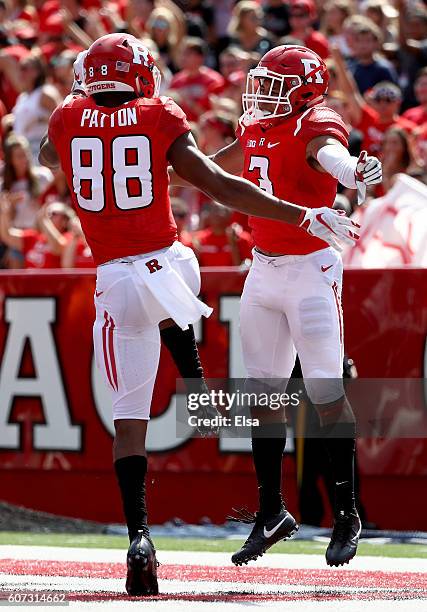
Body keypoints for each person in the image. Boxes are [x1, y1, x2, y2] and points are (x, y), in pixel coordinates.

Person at [39, 34, 359, 597]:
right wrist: (303, 215)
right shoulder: (160, 113)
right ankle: (193, 372)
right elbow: (217, 183)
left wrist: (82, 111)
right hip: (169, 268)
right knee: (183, 280)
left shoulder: (67, 118)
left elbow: (48, 153)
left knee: (130, 415)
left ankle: (139, 537)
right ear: (141, 78)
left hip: (114, 277)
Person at [171, 44, 382, 568]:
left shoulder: (316, 121)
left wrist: (354, 170)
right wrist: (173, 165)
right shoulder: (260, 124)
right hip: (262, 270)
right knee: (263, 399)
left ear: (306, 90)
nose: (262, 95)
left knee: (326, 391)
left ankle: (347, 513)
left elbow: (332, 159)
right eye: (260, 84)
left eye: (273, 86)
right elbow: (219, 172)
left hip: (311, 271)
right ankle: (271, 512)